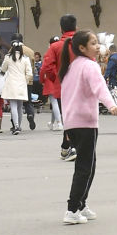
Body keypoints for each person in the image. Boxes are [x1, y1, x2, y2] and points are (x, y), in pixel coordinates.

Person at [59, 29, 117, 225]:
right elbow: (100, 88)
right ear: (81, 47)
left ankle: (80, 205)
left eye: (97, 42)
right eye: (93, 43)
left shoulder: (72, 66)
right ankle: (71, 209)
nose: (97, 46)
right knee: (85, 167)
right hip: (85, 122)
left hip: (72, 122)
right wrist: (111, 105)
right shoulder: (89, 66)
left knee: (88, 164)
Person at [41, 16, 77, 158]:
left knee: (67, 116)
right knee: (74, 116)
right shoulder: (82, 44)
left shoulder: (55, 47)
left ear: (61, 28)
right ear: (76, 27)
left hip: (62, 86)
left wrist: (55, 78)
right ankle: (67, 146)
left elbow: (47, 67)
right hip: (80, 86)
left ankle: (70, 146)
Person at [1, 41, 33, 136]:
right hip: (21, 84)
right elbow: (29, 73)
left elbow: (3, 69)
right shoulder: (25, 59)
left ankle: (16, 125)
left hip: (11, 83)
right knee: (20, 106)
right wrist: (25, 81)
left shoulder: (8, 57)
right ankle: (19, 125)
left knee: (13, 106)